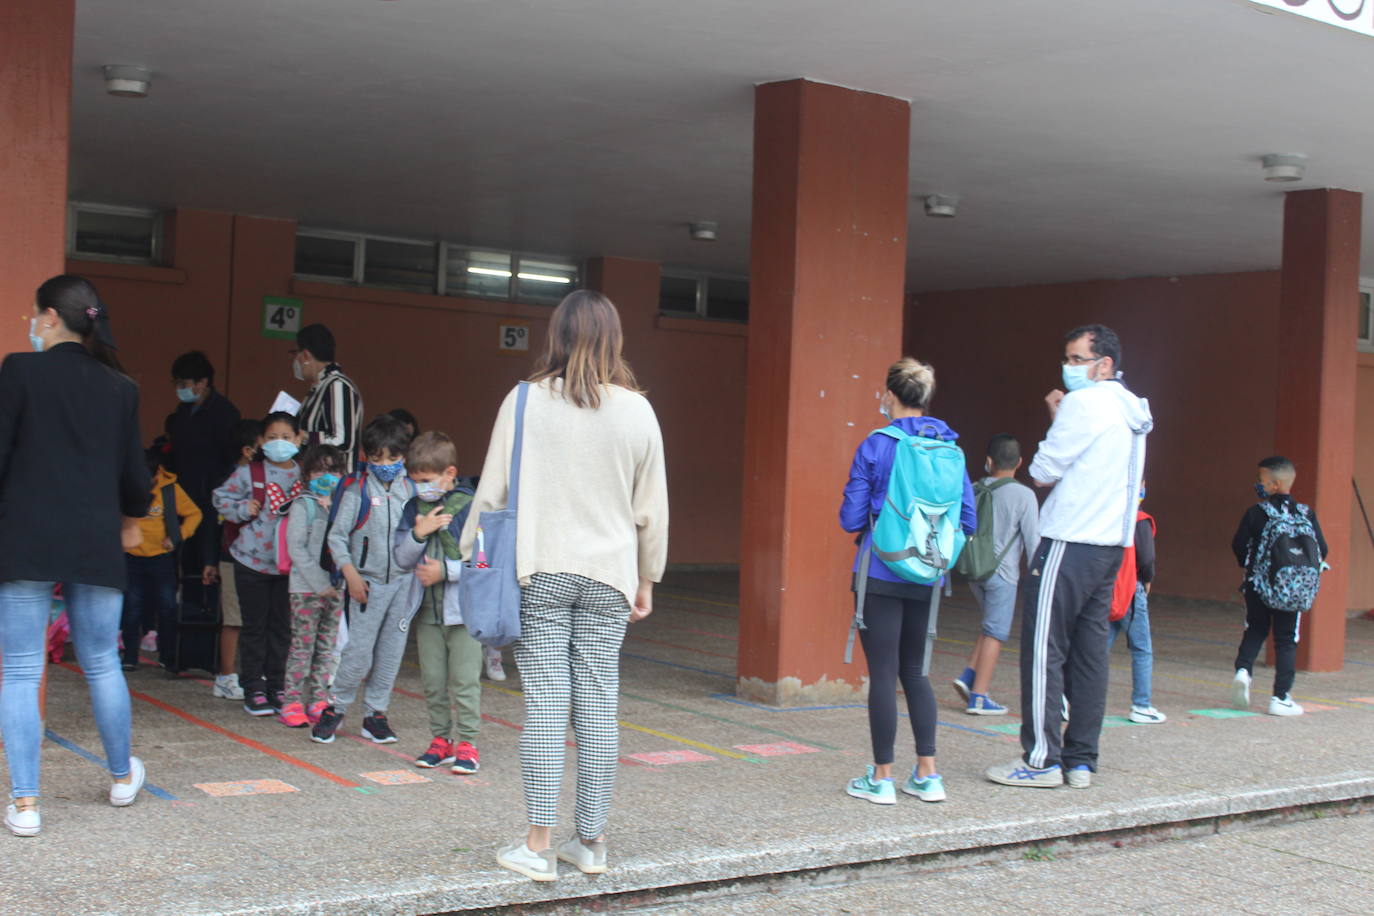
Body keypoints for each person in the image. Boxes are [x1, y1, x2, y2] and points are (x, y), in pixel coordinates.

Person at [465, 290, 669, 882]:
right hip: (610, 576)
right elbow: (650, 508)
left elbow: (493, 494)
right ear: (615, 339)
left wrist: (472, 559)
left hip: (541, 570)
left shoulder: (524, 401)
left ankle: (538, 843)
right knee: (600, 705)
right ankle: (593, 842)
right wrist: (647, 578)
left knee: (549, 708)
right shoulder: (638, 411)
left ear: (556, 336)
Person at [0, 275, 152, 837]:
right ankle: (119, 777)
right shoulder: (121, 388)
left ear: (48, 318)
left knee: (19, 668)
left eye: (33, 316)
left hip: (26, 537)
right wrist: (131, 520)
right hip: (95, 540)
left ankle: (25, 805)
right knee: (101, 661)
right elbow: (135, 478)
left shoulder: (18, 370)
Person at [986, 324, 1152, 790]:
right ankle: (1081, 760)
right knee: (1090, 655)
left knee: (1044, 650)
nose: (1069, 368)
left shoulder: (1085, 403)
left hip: (1068, 540)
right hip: (1109, 547)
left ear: (1104, 365)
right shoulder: (1134, 408)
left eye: (1078, 359)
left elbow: (1040, 471)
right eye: (1068, 358)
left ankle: (1041, 760)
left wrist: (1058, 417)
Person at [839, 358, 976, 807]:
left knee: (882, 673)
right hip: (926, 576)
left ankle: (881, 778)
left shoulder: (877, 445)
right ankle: (928, 774)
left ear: (891, 395)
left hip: (879, 571)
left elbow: (851, 518)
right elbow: (968, 521)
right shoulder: (952, 448)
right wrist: (932, 559)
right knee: (915, 671)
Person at [311, 414, 417, 745]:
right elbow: (338, 537)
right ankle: (336, 708)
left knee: (390, 652)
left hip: (403, 584)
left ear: (404, 456)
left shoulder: (411, 489)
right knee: (357, 654)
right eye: (377, 458)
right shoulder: (356, 489)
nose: (385, 464)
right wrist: (351, 574)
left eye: (393, 458)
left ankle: (376, 715)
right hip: (366, 585)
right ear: (366, 457)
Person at [392, 431, 481, 771]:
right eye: (414, 481)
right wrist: (419, 533)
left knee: (464, 681)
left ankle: (468, 744)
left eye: (426, 480)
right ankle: (440, 740)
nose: (420, 488)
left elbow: (486, 564)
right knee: (433, 682)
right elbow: (400, 558)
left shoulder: (471, 507)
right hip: (427, 613)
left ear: (450, 474)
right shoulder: (412, 510)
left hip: (464, 615)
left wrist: (447, 571)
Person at [213, 411, 303, 716]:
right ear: (261, 441)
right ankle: (254, 687)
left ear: (299, 439)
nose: (280, 443)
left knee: (282, 628)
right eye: (273, 437)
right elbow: (219, 498)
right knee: (253, 627)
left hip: (289, 565)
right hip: (251, 561)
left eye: (287, 438)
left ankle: (277, 685)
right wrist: (241, 508)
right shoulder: (249, 472)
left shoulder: (304, 474)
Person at [1229, 456, 1328, 718]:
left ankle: (1243, 671)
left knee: (1256, 628)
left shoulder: (1257, 513)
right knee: (1286, 640)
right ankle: (1281, 698)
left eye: (1261, 481)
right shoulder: (1306, 513)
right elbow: (1322, 549)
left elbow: (1238, 544)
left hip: (1258, 584)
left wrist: (1250, 567)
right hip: (1292, 588)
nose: (1258, 485)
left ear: (1274, 484)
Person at [952, 434, 1039, 716]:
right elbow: (1034, 541)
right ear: (1020, 463)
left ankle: (968, 675)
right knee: (996, 633)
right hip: (1003, 574)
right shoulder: (1024, 495)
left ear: (988, 462)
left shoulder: (974, 488)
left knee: (990, 624)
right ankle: (979, 696)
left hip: (975, 570)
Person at [278, 444, 348, 728]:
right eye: (319, 469)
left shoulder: (344, 505)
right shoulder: (302, 505)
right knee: (302, 647)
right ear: (307, 474)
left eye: (333, 470)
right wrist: (321, 584)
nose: (326, 476)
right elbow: (296, 549)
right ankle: (292, 700)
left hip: (336, 589)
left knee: (327, 647)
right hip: (306, 590)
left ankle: (318, 698)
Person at [166, 350, 240, 612]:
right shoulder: (183, 411)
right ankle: (186, 615)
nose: (180, 389)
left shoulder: (225, 414)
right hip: (184, 495)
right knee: (184, 558)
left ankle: (205, 620)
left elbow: (228, 460)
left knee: (208, 560)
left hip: (212, 497)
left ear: (203, 382)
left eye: (184, 384)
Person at [122, 447, 203, 671]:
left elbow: (194, 513)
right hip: (132, 557)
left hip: (162, 558)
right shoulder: (127, 485)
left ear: (158, 473)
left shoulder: (170, 489)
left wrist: (177, 536)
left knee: (167, 608)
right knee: (131, 609)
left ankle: (167, 655)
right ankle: (129, 656)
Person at [210, 418, 263, 701]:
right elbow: (220, 518)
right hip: (234, 555)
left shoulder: (265, 476)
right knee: (234, 619)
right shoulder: (238, 479)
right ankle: (226, 676)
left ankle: (255, 673)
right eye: (265, 443)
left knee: (256, 618)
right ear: (247, 450)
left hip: (260, 556)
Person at [1107, 482, 1165, 724]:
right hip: (1131, 590)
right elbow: (1147, 558)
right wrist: (1148, 579)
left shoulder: (1108, 516)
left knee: (1097, 649)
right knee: (1142, 649)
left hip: (1109, 589)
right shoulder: (1139, 519)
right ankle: (1141, 704)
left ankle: (1068, 698)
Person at [294, 324, 364, 471]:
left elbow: (342, 440)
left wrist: (305, 436)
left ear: (306, 355)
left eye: (296, 354)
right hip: (315, 477)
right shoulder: (320, 386)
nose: (296, 361)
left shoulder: (337, 386)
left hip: (334, 482)